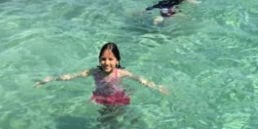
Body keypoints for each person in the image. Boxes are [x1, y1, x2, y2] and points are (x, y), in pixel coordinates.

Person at [34, 42, 168, 104]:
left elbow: (140, 79)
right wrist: (50, 79)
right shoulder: (94, 72)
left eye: (110, 59)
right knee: (103, 122)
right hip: (100, 97)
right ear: (99, 60)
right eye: (103, 59)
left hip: (118, 97)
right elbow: (70, 76)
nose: (106, 62)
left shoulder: (121, 73)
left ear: (117, 61)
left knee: (117, 121)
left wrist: (156, 87)